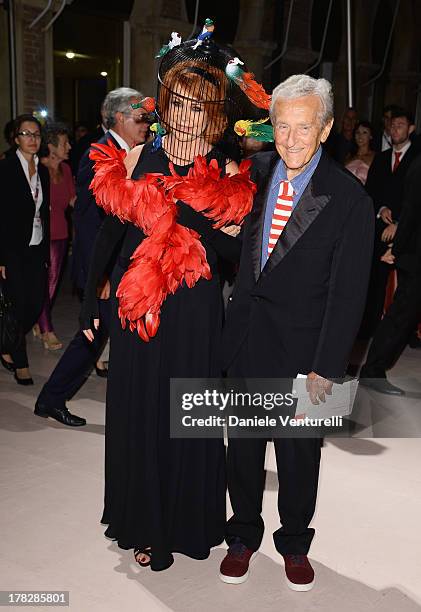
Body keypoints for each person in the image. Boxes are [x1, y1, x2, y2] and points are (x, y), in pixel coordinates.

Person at [80, 32, 257, 571]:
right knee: (142, 410)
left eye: (198, 105)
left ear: (213, 115)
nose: (185, 114)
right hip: (138, 302)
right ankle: (146, 525)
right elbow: (110, 234)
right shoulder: (137, 155)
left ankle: (191, 522)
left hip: (196, 306)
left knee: (191, 413)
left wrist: (192, 210)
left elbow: (235, 249)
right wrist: (91, 296)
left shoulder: (226, 170)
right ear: (165, 104)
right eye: (177, 102)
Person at [219, 75, 374, 591]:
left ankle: (293, 543)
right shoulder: (256, 173)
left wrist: (328, 366)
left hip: (304, 353)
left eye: (303, 127)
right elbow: (240, 255)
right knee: (240, 450)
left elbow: (349, 293)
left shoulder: (348, 198)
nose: (290, 139)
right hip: (245, 342)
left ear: (325, 129)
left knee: (297, 456)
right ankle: (241, 535)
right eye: (281, 127)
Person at [34, 87, 147, 427]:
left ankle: (51, 399)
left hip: (124, 266)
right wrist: (100, 276)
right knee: (95, 337)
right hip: (106, 270)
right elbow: (90, 223)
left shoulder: (133, 152)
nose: (145, 123)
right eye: (139, 117)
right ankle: (54, 399)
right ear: (118, 118)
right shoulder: (100, 154)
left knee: (97, 338)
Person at [360, 155, 421, 395]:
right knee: (401, 315)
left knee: (403, 314)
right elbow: (411, 210)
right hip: (415, 256)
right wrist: (395, 249)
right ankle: (372, 370)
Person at [0, 114, 50, 384]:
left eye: (36, 135)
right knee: (18, 305)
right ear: (15, 138)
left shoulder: (42, 170)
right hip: (13, 249)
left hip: (36, 246)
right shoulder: (6, 168)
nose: (33, 139)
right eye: (27, 134)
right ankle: (21, 361)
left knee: (34, 303)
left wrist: (46, 253)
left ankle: (6, 343)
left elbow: (46, 212)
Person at [361, 110, 418, 338]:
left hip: (410, 232)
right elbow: (371, 193)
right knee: (375, 280)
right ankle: (370, 327)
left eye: (401, 126)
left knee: (407, 287)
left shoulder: (417, 158)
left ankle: (407, 333)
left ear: (411, 129)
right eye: (392, 126)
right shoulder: (382, 159)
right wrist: (381, 208)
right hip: (380, 228)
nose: (395, 130)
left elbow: (416, 199)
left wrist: (400, 223)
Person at [35, 123, 75, 350]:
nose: (69, 146)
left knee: (53, 283)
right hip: (39, 236)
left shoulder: (66, 170)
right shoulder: (37, 169)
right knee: (42, 283)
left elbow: (72, 202)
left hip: (60, 234)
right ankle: (46, 328)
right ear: (51, 146)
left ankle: (40, 321)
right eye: (64, 143)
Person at [345, 120, 375, 185]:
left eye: (364, 132)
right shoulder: (349, 156)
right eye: (357, 132)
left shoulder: (375, 157)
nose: (360, 136)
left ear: (371, 136)